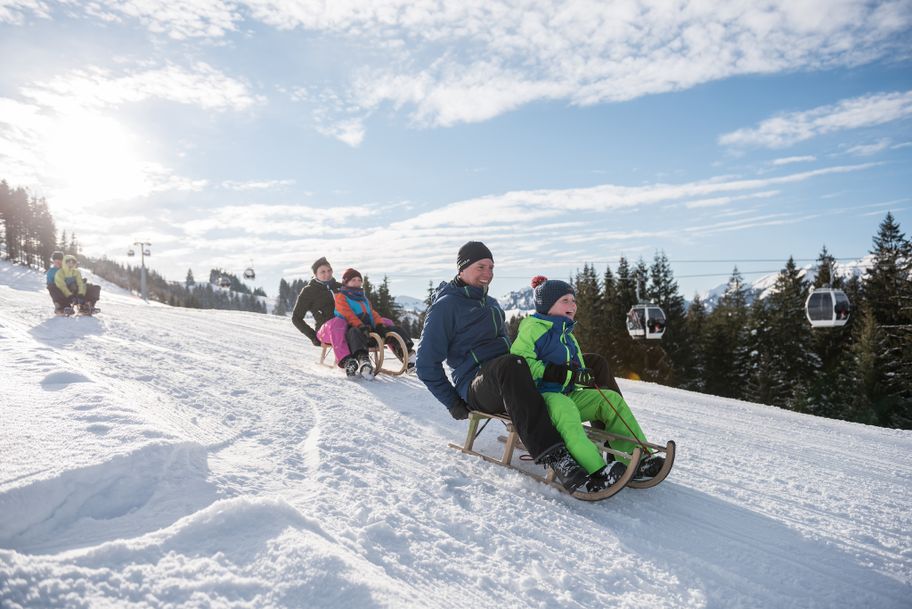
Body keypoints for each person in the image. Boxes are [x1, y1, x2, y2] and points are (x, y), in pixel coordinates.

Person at [416, 241, 589, 492]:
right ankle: (556, 457)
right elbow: (425, 363)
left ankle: (620, 444)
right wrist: (452, 401)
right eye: (481, 266)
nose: (488, 273)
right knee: (512, 364)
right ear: (462, 268)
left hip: (510, 375)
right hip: (476, 384)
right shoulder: (446, 306)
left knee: (586, 361)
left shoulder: (492, 304)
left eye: (491, 267)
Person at [510, 276, 665, 492]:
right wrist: (561, 374)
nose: (572, 305)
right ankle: (597, 471)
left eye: (574, 301)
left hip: (568, 394)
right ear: (547, 305)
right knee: (567, 412)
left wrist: (582, 375)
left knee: (609, 399)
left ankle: (636, 458)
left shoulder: (568, 335)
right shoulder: (533, 329)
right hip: (544, 398)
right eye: (565, 300)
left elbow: (577, 368)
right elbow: (519, 363)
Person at [334, 268, 416, 379]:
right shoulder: (341, 297)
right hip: (353, 332)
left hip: (370, 331)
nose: (357, 282)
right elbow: (348, 314)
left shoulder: (363, 298)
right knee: (355, 332)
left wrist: (379, 325)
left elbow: (372, 314)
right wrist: (360, 326)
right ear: (346, 282)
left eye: (359, 280)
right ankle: (364, 360)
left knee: (394, 329)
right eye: (353, 280)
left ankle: (409, 357)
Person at [290, 257, 359, 374]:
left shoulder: (340, 287)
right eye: (322, 272)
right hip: (325, 331)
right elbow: (296, 318)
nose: (327, 274)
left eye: (329, 270)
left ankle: (364, 359)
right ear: (315, 274)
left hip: (347, 327)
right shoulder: (309, 291)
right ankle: (346, 361)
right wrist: (314, 338)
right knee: (337, 323)